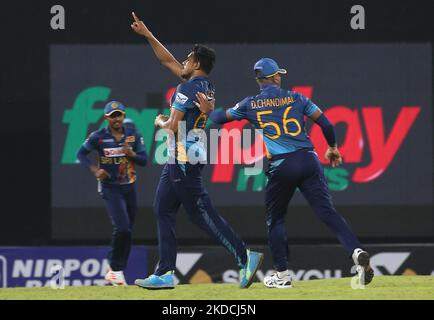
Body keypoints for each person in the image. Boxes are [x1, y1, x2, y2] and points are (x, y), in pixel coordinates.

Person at [195, 58, 374, 288]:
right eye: (278, 73)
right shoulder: (297, 97)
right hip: (309, 160)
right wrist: (332, 147)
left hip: (282, 165)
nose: (280, 76)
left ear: (259, 80)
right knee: (327, 212)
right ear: (275, 77)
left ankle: (282, 275)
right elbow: (327, 124)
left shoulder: (250, 104)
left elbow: (220, 119)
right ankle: (356, 251)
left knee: (276, 220)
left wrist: (207, 111)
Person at [130, 12, 263, 289]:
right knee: (162, 209)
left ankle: (245, 256)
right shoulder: (205, 86)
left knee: (200, 213)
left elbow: (171, 127)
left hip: (183, 158)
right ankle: (165, 272)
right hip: (184, 157)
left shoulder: (185, 88)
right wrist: (148, 34)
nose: (184, 60)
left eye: (188, 58)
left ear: (197, 63)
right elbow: (167, 60)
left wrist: (158, 121)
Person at [76, 101, 147, 286]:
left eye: (119, 115)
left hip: (129, 187)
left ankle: (115, 269)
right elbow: (80, 154)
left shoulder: (133, 135)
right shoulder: (98, 137)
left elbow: (144, 160)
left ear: (124, 115)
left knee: (127, 231)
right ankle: (115, 269)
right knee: (122, 227)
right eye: (112, 115)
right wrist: (94, 170)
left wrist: (131, 154)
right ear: (106, 117)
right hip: (109, 187)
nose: (116, 119)